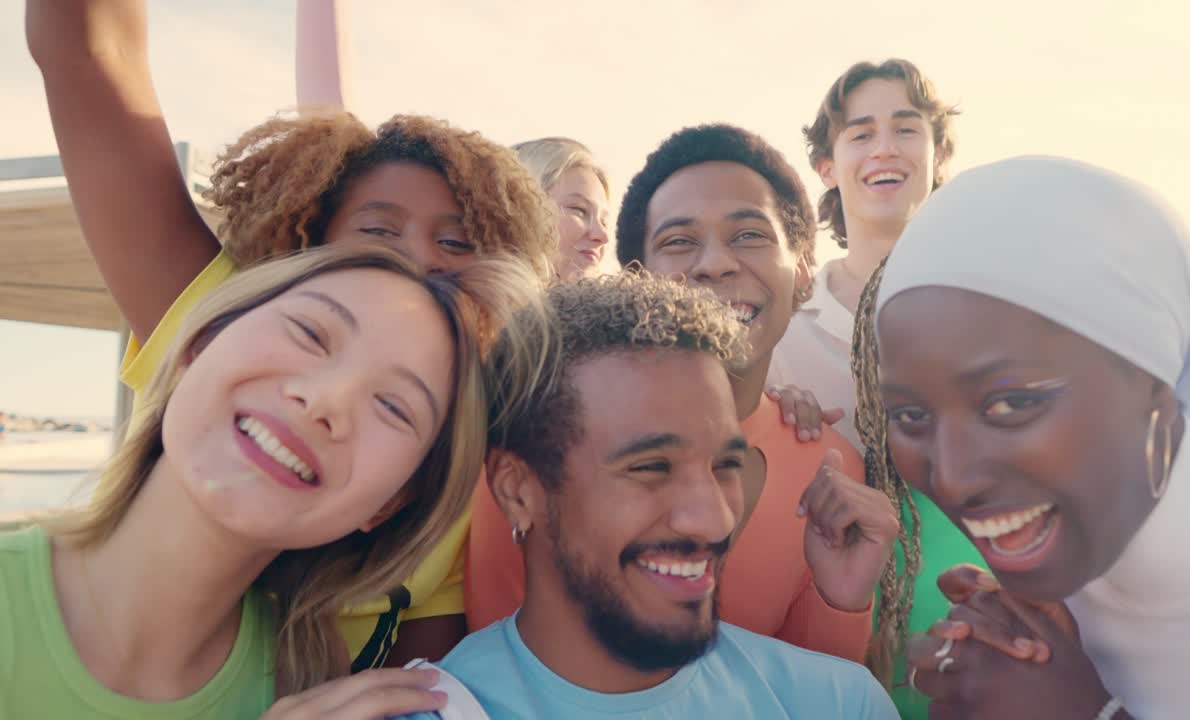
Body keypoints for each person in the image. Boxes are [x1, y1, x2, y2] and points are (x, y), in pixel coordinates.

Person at [26, 0, 558, 668]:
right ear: (307, 240)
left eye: (454, 242)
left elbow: (418, 683)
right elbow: (89, 53)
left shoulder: (459, 441)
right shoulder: (231, 326)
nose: (413, 258)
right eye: (377, 230)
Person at [0, 244, 550, 719]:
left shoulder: (309, 684)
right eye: (310, 333)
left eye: (392, 406)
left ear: (389, 505)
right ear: (202, 342)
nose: (326, 401)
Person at [466, 125, 899, 667]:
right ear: (636, 279)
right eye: (678, 241)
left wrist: (844, 601)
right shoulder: (541, 439)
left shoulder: (831, 468)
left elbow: (815, 693)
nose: (714, 263)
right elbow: (498, 676)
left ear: (804, 274)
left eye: (749, 235)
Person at [878, 156, 1190, 719]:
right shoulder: (1031, 617)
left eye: (1013, 403)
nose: (952, 476)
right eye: (911, 416)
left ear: (1153, 375)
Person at [439, 272, 899, 719]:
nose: (716, 520)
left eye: (726, 466)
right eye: (651, 467)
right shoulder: (435, 709)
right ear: (517, 490)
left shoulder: (842, 704)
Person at [763, 59, 984, 710]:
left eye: (905, 129)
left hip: (981, 619)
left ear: (937, 151)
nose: (885, 148)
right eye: (860, 133)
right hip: (835, 639)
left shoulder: (997, 302)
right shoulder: (781, 331)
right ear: (827, 166)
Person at [514, 138, 612, 280]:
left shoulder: (629, 301)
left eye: (604, 221)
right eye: (579, 210)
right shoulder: (478, 299)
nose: (602, 236)